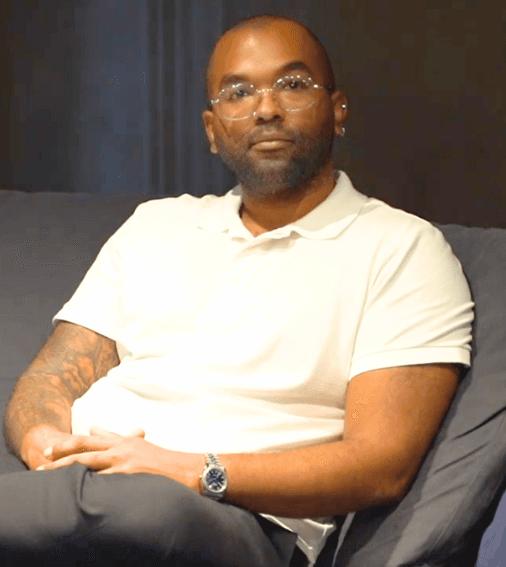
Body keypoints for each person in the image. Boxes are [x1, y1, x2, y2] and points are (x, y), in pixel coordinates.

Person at [2, 14, 473, 567]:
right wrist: (49, 448)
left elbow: (380, 466)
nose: (266, 108)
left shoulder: (401, 248)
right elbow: (51, 379)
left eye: (293, 84)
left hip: (233, 515)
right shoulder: (156, 225)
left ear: (338, 109)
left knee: (137, 514)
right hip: (80, 480)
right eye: (238, 92)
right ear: (211, 129)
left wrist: (192, 470)